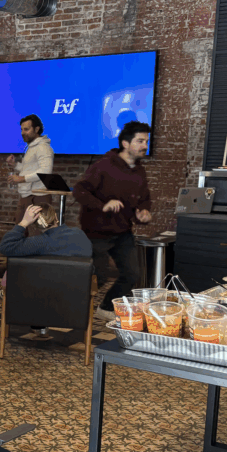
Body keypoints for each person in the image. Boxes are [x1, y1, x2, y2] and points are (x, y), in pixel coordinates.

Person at [73, 121, 153, 320]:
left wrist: (143, 213)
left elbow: (144, 200)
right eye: (140, 141)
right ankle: (68, 309)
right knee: (96, 278)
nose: (145, 145)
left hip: (123, 232)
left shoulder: (139, 171)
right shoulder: (103, 166)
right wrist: (103, 205)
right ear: (125, 144)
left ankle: (106, 308)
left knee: (132, 274)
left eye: (146, 141)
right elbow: (80, 190)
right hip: (96, 232)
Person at [5, 115, 54, 237]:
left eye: (26, 129)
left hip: (38, 196)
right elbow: (29, 170)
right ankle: (20, 255)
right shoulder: (32, 147)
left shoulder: (43, 147)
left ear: (37, 129)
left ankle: (35, 256)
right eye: (21, 129)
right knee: (20, 230)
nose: (23, 133)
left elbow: (45, 171)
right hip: (27, 195)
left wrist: (21, 179)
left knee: (39, 234)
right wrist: (15, 164)